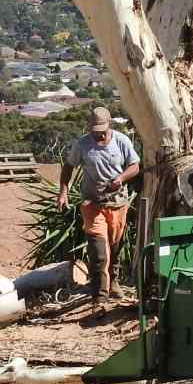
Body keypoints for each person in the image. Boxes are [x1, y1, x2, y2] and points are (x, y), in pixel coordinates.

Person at [56, 107, 141, 305]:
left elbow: (135, 166)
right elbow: (68, 166)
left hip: (118, 203)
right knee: (99, 251)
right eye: (95, 130)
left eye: (102, 129)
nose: (99, 134)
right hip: (92, 204)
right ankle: (99, 295)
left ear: (109, 124)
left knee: (115, 245)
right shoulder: (82, 144)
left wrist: (121, 178)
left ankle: (114, 281)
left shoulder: (121, 141)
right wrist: (63, 192)